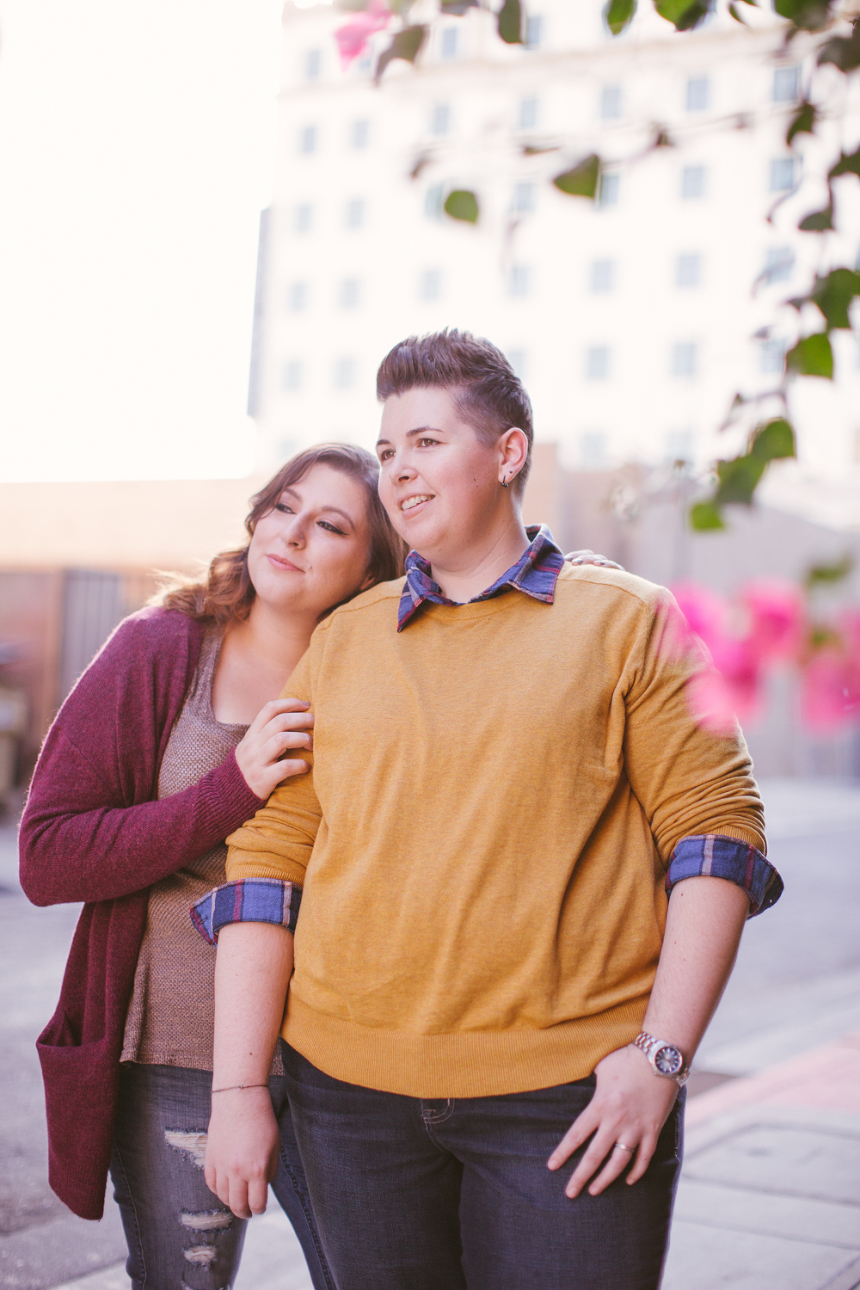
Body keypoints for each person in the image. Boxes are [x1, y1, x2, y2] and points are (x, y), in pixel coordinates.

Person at [203, 331, 783, 1290]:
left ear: (507, 454)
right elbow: (267, 861)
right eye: (387, 451)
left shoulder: (629, 619)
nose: (398, 473)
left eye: (425, 442)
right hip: (348, 1102)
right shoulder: (345, 640)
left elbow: (717, 831)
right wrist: (237, 1090)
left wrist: (661, 1059)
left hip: (566, 1101)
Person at [18, 444, 406, 1290]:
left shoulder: (383, 677)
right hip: (180, 1056)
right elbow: (47, 857)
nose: (294, 534)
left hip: (344, 1056)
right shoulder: (161, 648)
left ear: (372, 565)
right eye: (284, 508)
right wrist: (231, 789)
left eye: (330, 524)